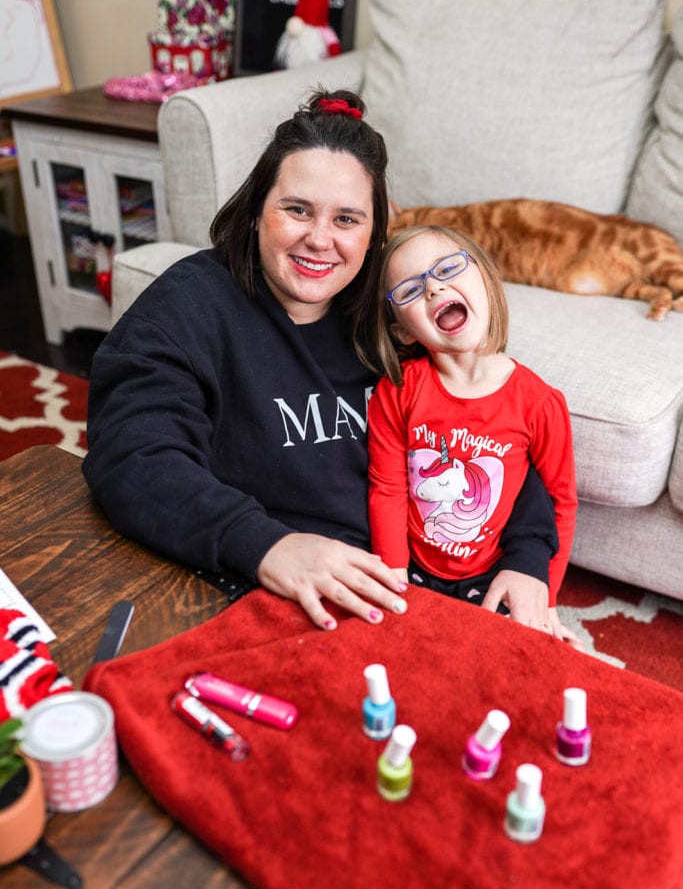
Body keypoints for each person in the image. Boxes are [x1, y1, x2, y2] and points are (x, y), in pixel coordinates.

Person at [83, 88, 559, 634]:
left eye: (347, 220)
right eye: (297, 209)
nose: (319, 240)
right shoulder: (187, 307)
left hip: (425, 580)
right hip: (267, 580)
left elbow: (501, 427)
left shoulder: (400, 313)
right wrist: (268, 545)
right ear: (257, 210)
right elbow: (133, 457)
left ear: (374, 231)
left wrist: (527, 558)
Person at [364, 224, 578, 641]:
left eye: (447, 269)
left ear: (485, 280)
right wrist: (392, 573)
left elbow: (559, 501)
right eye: (410, 289)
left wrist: (546, 598)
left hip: (492, 572)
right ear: (404, 331)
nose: (433, 289)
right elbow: (387, 486)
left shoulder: (539, 402)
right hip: (413, 567)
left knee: (524, 654)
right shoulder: (399, 390)